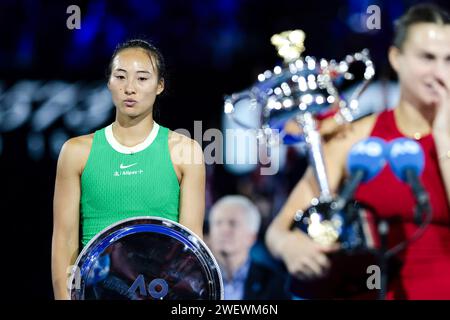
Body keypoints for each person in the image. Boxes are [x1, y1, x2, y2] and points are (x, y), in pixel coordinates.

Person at [266, 3, 450, 299]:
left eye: (448, 59)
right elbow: (277, 230)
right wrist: (290, 246)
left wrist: (443, 132)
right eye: (427, 58)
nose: (440, 72)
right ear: (396, 58)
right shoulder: (355, 137)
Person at [51, 39, 205, 300]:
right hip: (97, 292)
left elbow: (190, 249)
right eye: (120, 77)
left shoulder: (186, 152)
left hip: (161, 294)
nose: (129, 88)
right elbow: (64, 241)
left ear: (160, 85)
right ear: (109, 82)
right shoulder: (76, 152)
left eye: (142, 79)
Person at [208, 195, 291, 300]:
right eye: (218, 223)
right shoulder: (194, 279)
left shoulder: (274, 283)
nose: (224, 230)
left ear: (252, 237)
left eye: (233, 223)